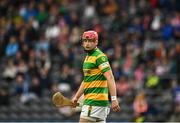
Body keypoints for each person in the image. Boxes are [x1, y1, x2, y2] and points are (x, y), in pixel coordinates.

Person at [71, 30, 120, 122]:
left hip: (94, 102)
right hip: (96, 103)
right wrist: (77, 97)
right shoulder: (88, 57)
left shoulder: (100, 57)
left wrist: (114, 99)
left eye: (90, 41)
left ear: (96, 42)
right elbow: (86, 80)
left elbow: (110, 77)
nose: (87, 44)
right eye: (85, 41)